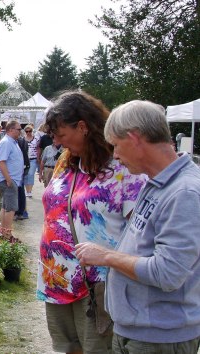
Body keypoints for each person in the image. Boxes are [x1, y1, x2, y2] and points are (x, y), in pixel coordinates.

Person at [76, 100, 200, 354]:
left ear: (134, 138)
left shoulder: (184, 192)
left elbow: (167, 273)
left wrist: (107, 256)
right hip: (139, 330)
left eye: (117, 146)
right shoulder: (157, 183)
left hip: (160, 337)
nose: (116, 156)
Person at [39, 92, 147, 354]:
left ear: (83, 127)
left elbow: (141, 233)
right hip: (57, 277)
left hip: (97, 285)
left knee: (97, 349)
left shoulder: (122, 170)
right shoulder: (66, 163)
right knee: (69, 348)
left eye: (61, 134)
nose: (56, 141)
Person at [0, 120, 24, 233]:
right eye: (18, 129)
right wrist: (9, 179)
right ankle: (7, 234)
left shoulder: (12, 141)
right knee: (11, 208)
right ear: (10, 130)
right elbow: (1, 162)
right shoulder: (6, 142)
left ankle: (3, 232)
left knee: (5, 207)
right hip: (8, 180)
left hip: (9, 179)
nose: (20, 131)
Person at [24, 124, 40, 197]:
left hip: (33, 159)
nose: (28, 132)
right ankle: (27, 190)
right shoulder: (23, 139)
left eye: (29, 131)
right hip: (25, 160)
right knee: (26, 175)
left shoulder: (36, 139)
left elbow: (38, 148)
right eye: (26, 131)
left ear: (32, 131)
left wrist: (38, 157)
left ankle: (29, 191)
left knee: (30, 174)